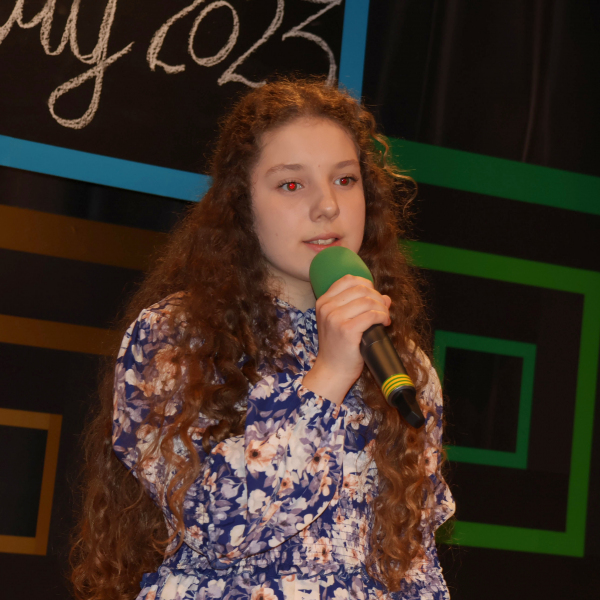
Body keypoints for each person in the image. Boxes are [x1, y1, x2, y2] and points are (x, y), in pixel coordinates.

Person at [71, 77, 455, 600]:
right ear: (241, 203)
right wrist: (328, 376)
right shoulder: (177, 337)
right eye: (292, 185)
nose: (328, 206)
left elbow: (413, 561)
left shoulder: (402, 362)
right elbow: (221, 523)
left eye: (345, 180)